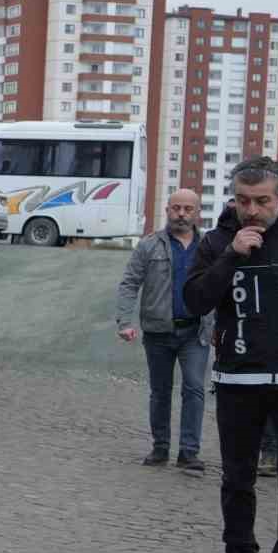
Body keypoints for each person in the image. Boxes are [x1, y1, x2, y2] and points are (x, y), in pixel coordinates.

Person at [184, 159, 278, 553]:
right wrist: (231, 256)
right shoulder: (217, 242)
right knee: (238, 479)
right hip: (238, 379)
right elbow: (195, 300)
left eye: (262, 200)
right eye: (244, 201)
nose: (253, 210)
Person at [116, 188, 214, 473]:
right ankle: (160, 448)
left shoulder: (209, 246)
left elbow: (222, 286)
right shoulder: (149, 245)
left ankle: (189, 452)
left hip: (196, 331)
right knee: (160, 391)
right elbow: (129, 283)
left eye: (187, 209)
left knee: (195, 389)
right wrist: (125, 321)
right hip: (158, 332)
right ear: (167, 210)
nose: (181, 214)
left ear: (197, 213)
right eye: (176, 208)